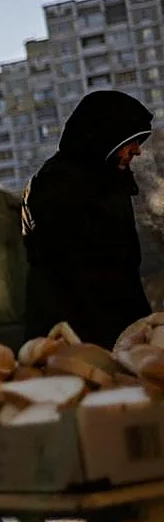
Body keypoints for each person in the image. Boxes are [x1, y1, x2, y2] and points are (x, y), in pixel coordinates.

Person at [23, 90, 155, 349]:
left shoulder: (108, 179)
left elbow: (124, 270)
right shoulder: (58, 183)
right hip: (76, 336)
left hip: (118, 330)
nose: (137, 151)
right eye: (132, 141)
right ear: (107, 137)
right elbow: (67, 276)